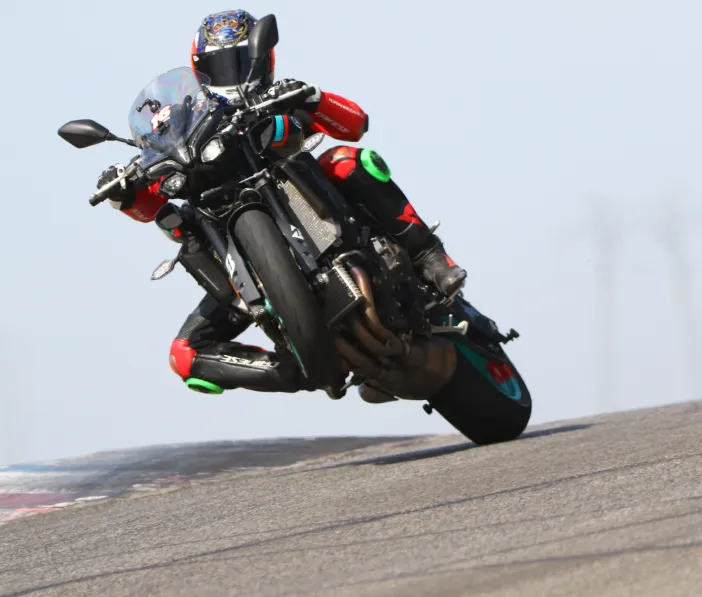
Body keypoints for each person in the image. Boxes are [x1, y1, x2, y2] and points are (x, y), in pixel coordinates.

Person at [97, 9, 467, 396]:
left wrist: (313, 97)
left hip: (325, 215)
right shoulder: (187, 121)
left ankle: (431, 257)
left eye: (240, 61)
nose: (231, 73)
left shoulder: (275, 98)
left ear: (263, 57)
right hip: (235, 262)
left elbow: (356, 123)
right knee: (183, 355)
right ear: (199, 71)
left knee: (347, 161)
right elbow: (150, 204)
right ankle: (296, 368)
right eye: (218, 66)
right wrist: (123, 192)